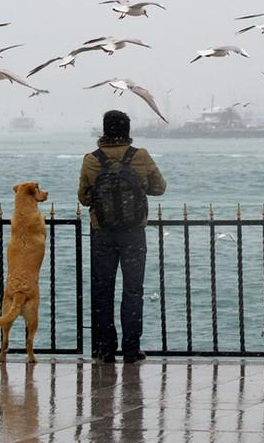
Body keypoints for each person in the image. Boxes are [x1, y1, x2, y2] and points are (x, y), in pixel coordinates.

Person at [78, 110, 166, 363]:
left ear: (104, 130)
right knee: (133, 291)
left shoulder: (91, 160)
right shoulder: (141, 156)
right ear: (127, 131)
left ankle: (105, 349)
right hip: (133, 233)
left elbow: (84, 198)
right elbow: (159, 188)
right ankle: (130, 349)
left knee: (103, 291)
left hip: (102, 233)